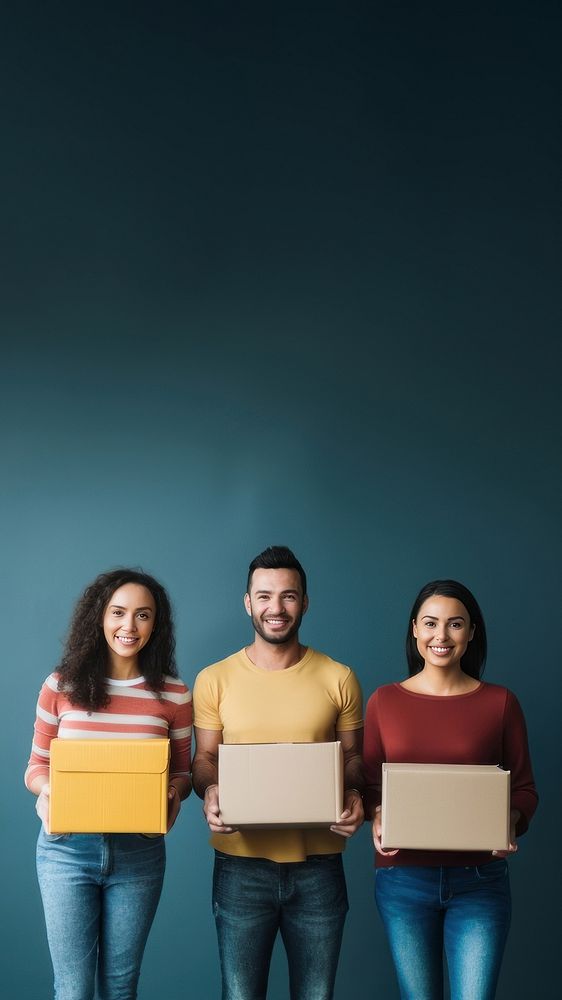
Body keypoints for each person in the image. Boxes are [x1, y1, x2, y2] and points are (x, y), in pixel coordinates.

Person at [192, 545, 364, 1000]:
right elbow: (204, 759)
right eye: (264, 596)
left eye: (289, 596)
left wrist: (356, 797)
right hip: (240, 864)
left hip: (320, 865)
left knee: (316, 995)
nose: (276, 608)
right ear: (248, 602)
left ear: (305, 602)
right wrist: (209, 791)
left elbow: (353, 760)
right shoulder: (214, 679)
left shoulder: (339, 677)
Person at [363, 579, 538, 1000]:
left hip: (479, 881)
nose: (441, 636)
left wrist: (509, 821)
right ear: (414, 630)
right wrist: (378, 815)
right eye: (430, 624)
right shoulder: (383, 701)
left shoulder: (500, 703)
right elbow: (369, 785)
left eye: (455, 624)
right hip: (403, 878)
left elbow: (525, 788)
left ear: (472, 632)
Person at [25, 568, 192, 1000]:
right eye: (118, 613)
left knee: (120, 988)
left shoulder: (174, 694)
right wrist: (52, 791)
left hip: (138, 853)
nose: (128, 626)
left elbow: (182, 773)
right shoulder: (60, 685)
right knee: (73, 989)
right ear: (99, 617)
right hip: (67, 851)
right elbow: (35, 769)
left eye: (142, 615)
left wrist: (171, 795)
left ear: (156, 625)